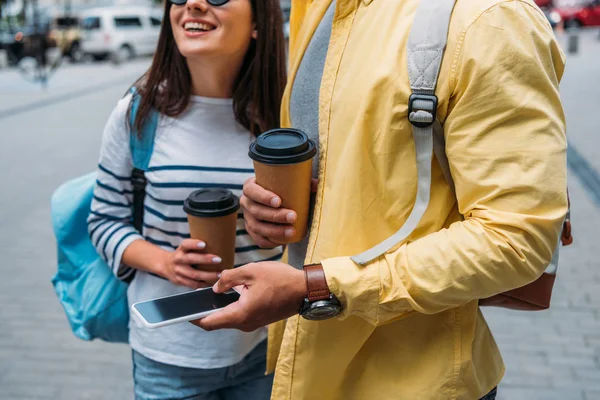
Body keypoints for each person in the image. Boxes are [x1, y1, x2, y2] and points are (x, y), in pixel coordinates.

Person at [193, 0, 568, 399]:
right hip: (310, 369)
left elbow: (515, 239)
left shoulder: (487, 17)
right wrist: (271, 214)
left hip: (412, 381)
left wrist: (316, 287)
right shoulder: (319, 9)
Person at [87, 0, 287, 398]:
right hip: (169, 357)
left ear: (258, 22)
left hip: (266, 348)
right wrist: (166, 263)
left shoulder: (285, 117)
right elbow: (103, 220)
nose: (192, 3)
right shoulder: (139, 113)